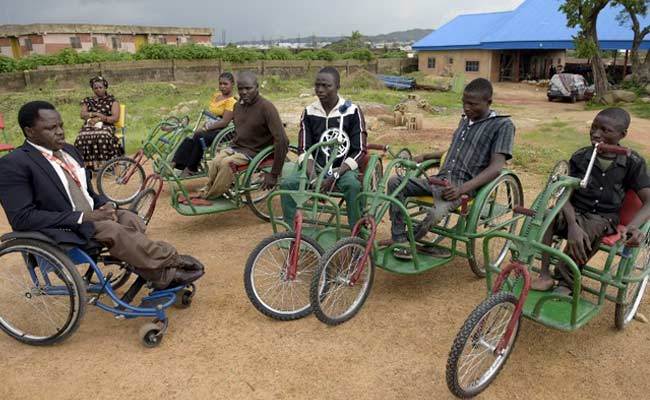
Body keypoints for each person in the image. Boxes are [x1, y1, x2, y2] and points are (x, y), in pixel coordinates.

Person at [0, 101, 204, 289]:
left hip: (90, 217)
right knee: (113, 230)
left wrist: (105, 204)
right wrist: (83, 217)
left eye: (61, 125)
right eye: (51, 128)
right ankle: (172, 261)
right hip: (63, 227)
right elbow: (22, 218)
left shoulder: (69, 151)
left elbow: (87, 192)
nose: (60, 132)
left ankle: (159, 275)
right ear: (30, 131)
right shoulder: (14, 164)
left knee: (131, 220)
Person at [387, 78, 515, 260]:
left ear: (489, 102)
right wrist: (426, 156)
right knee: (395, 183)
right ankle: (399, 238)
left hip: (464, 188)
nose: (467, 108)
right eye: (464, 103)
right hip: (439, 180)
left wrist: (461, 190)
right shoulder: (465, 121)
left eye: (472, 104)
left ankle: (411, 239)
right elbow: (453, 152)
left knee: (434, 213)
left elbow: (496, 168)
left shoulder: (502, 126)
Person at [531, 108, 650, 293]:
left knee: (589, 228)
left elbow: (648, 200)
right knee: (549, 215)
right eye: (593, 128)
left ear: (622, 134)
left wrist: (633, 226)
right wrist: (572, 224)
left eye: (605, 130)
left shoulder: (632, 161)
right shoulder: (580, 157)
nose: (596, 134)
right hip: (574, 210)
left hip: (604, 217)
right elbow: (564, 194)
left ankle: (565, 282)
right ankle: (544, 275)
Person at [280, 67, 367, 229]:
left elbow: (360, 150)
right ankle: (291, 234)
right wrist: (314, 178)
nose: (320, 90)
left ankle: (358, 233)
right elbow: (304, 149)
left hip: (343, 169)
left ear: (338, 86)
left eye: (326, 86)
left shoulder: (351, 111)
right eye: (317, 85)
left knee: (353, 186)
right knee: (287, 185)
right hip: (316, 168)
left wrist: (334, 175)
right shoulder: (309, 111)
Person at [196, 71, 289, 201]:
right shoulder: (237, 106)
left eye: (248, 88)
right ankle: (208, 188)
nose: (244, 92)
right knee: (215, 162)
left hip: (255, 151)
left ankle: (211, 195)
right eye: (241, 89)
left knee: (226, 164)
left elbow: (283, 140)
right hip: (237, 147)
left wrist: (274, 174)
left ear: (257, 87)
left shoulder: (266, 107)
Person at [171, 72, 237, 177]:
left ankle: (191, 168)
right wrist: (205, 126)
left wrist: (207, 128)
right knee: (190, 138)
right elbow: (210, 114)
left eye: (225, 84)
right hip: (211, 127)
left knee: (199, 137)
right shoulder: (216, 96)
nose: (222, 86)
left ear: (232, 84)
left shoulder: (231, 101)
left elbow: (224, 122)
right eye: (220, 84)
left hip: (222, 131)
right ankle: (175, 164)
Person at [73, 76, 124, 171]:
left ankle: (106, 165)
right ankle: (87, 166)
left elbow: (115, 118)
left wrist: (100, 118)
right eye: (95, 88)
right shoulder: (87, 100)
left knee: (102, 135)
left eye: (100, 87)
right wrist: (95, 114)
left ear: (105, 87)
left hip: (106, 125)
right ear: (92, 89)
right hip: (90, 125)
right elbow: (82, 115)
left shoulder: (112, 101)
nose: (98, 90)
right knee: (81, 137)